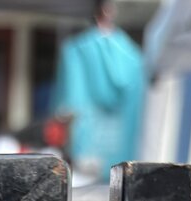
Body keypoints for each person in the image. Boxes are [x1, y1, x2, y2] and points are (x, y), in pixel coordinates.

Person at [52, 0, 145, 183]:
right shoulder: (134, 58)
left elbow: (64, 109)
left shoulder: (76, 52)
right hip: (123, 155)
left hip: (86, 151)